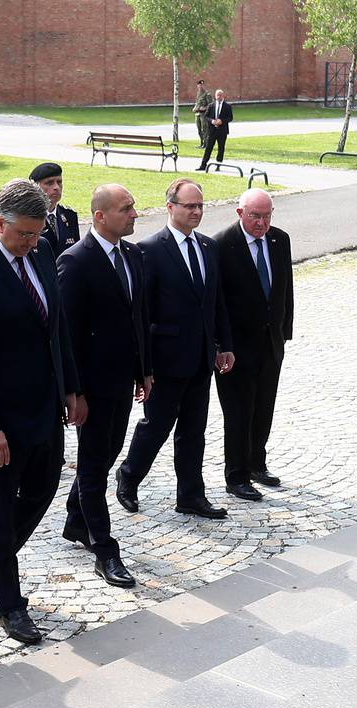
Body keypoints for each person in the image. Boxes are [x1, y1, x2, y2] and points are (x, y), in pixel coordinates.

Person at [0, 179, 85, 644]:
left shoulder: (40, 251)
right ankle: (9, 602)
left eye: (36, 233)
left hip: (43, 405)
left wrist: (71, 389)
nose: (30, 242)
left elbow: (56, 325)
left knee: (44, 487)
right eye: (22, 234)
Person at [115, 178, 235, 520]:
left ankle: (191, 496)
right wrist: (144, 365)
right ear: (170, 207)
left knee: (193, 430)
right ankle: (129, 475)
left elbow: (217, 302)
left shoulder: (209, 248)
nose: (197, 211)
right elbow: (142, 312)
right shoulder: (149, 250)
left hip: (200, 358)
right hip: (166, 359)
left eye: (200, 206)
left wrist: (224, 344)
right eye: (189, 206)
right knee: (157, 425)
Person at [56, 183, 151, 588]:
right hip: (91, 386)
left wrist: (144, 369)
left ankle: (76, 519)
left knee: (109, 453)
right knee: (94, 465)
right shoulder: (75, 261)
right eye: (126, 208)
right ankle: (105, 549)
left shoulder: (132, 254)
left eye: (132, 207)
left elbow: (138, 318)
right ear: (100, 216)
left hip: (122, 380)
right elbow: (67, 334)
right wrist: (72, 391)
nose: (133, 214)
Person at [213, 188, 293, 501]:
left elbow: (285, 288)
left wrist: (284, 331)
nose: (261, 222)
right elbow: (216, 300)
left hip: (270, 343)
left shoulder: (279, 239)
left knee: (263, 408)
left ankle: (257, 463)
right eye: (255, 216)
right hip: (235, 347)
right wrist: (220, 344)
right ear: (240, 213)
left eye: (267, 215)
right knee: (238, 413)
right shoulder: (221, 244)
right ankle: (236, 475)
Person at [30, 162, 79, 254]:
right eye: (49, 183)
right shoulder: (29, 218)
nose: (56, 187)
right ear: (35, 187)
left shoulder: (69, 215)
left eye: (59, 182)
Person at [199, 89, 233, 171]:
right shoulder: (211, 105)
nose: (219, 97)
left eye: (220, 95)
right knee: (208, 148)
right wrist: (212, 121)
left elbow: (230, 118)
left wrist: (222, 121)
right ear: (215, 96)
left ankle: (218, 165)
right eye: (217, 95)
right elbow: (206, 116)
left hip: (222, 131)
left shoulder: (227, 106)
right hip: (212, 131)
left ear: (223, 96)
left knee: (221, 148)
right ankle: (203, 165)